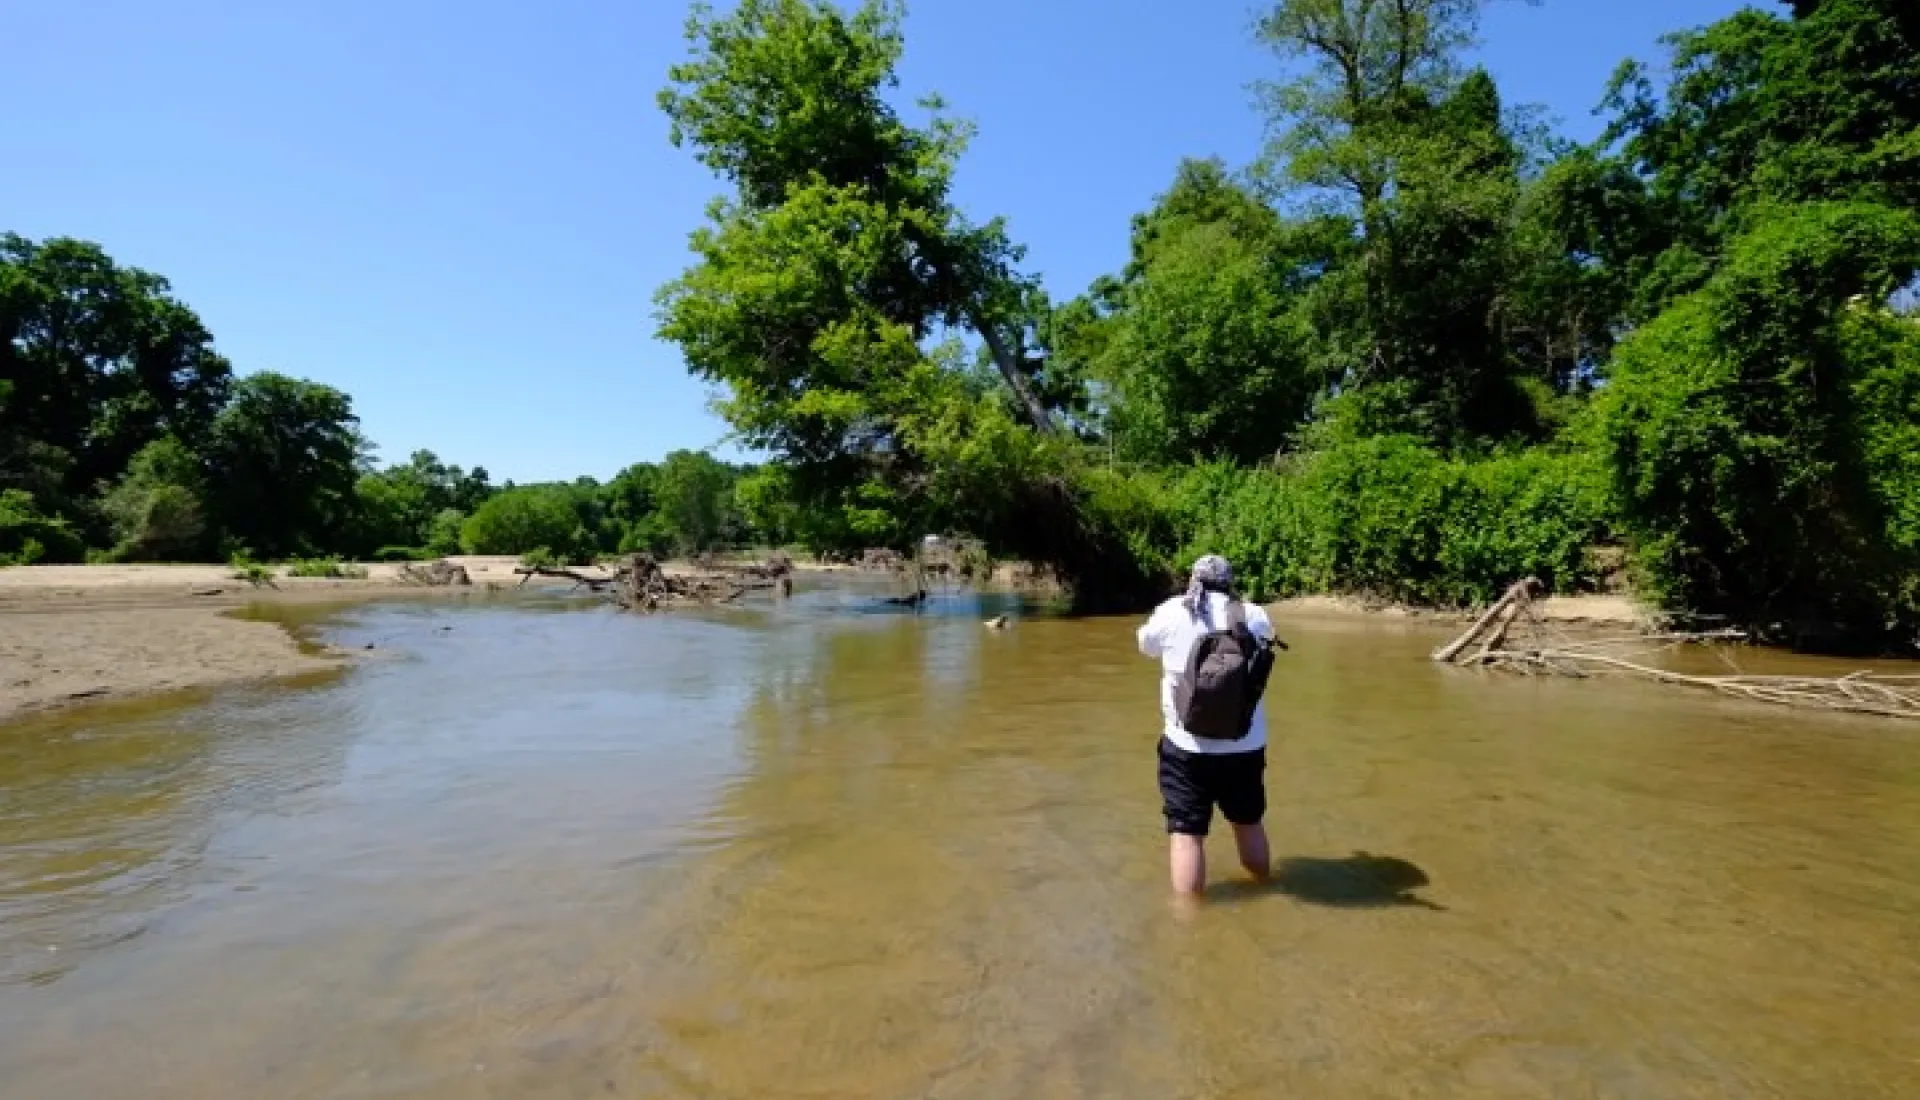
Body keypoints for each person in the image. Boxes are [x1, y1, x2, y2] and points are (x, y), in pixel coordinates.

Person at [1136, 554, 1277, 895]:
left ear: (1193, 580)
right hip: (1244, 744)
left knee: (1187, 836)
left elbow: (1145, 645)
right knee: (1248, 822)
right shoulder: (1253, 614)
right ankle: (1265, 887)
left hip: (1186, 747)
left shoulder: (1172, 610)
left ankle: (1189, 924)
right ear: (1229, 582)